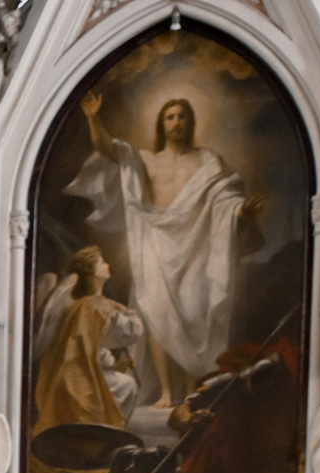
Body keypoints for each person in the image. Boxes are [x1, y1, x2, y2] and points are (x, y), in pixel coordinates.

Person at [69, 93, 263, 407]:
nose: (176, 123)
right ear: (162, 123)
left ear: (190, 122)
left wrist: (240, 212)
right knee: (157, 312)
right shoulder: (148, 159)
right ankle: (165, 392)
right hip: (155, 243)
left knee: (191, 316)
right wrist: (93, 117)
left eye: (181, 116)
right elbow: (107, 149)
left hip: (194, 244)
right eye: (170, 117)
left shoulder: (207, 160)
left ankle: (189, 390)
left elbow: (223, 197)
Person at [32, 247, 143, 430]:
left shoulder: (79, 305)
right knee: (128, 385)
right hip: (78, 381)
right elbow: (133, 331)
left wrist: (112, 365)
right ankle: (109, 435)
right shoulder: (94, 305)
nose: (107, 264)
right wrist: (125, 310)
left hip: (64, 377)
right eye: (102, 262)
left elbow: (87, 348)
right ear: (93, 272)